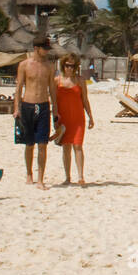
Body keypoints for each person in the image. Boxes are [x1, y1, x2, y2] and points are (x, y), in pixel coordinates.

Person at [13, 37, 57, 190]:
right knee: (29, 144)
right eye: (44, 48)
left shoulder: (50, 66)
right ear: (36, 48)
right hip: (27, 106)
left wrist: (55, 108)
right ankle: (29, 174)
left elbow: (52, 88)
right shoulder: (24, 65)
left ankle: (40, 179)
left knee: (43, 144)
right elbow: (19, 87)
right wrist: (16, 108)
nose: (46, 51)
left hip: (43, 106)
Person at [54, 54, 94, 186]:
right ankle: (67, 177)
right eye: (67, 66)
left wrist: (90, 117)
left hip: (78, 119)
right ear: (63, 66)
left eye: (72, 66)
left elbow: (85, 100)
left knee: (78, 146)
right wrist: (54, 118)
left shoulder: (80, 80)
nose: (69, 68)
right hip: (63, 119)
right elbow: (53, 101)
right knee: (66, 148)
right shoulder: (57, 80)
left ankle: (81, 176)